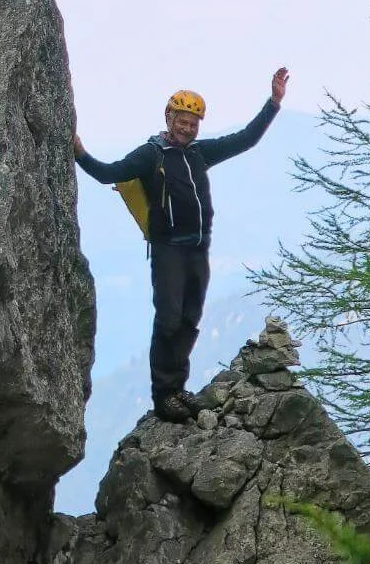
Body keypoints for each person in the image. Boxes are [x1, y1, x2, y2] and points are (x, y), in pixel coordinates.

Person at [73, 68, 290, 423]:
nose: (188, 128)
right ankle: (163, 396)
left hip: (198, 249)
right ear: (169, 118)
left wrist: (274, 102)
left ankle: (178, 388)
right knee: (169, 319)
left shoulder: (199, 154)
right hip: (167, 249)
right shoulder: (150, 155)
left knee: (190, 319)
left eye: (193, 123)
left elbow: (246, 139)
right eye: (182, 121)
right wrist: (80, 153)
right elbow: (109, 173)